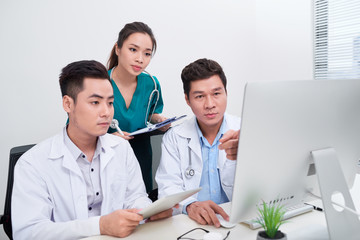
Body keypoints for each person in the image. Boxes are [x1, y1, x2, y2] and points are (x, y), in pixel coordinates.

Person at [11, 60, 173, 239]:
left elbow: (135, 197)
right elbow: (28, 233)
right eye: (95, 102)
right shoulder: (32, 163)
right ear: (68, 104)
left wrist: (147, 211)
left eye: (110, 103)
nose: (106, 112)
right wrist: (100, 226)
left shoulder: (121, 148)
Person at [156, 58, 241, 228]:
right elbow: (168, 187)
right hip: (191, 224)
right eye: (200, 96)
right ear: (187, 99)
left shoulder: (245, 130)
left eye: (216, 93)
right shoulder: (174, 137)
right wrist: (190, 206)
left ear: (226, 92)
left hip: (237, 219)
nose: (210, 104)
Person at [107, 22, 168, 193]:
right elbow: (76, 128)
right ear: (118, 49)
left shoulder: (151, 84)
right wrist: (109, 138)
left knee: (141, 208)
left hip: (140, 156)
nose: (140, 59)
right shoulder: (98, 83)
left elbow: (150, 112)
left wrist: (158, 119)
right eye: (133, 50)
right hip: (106, 158)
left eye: (147, 53)